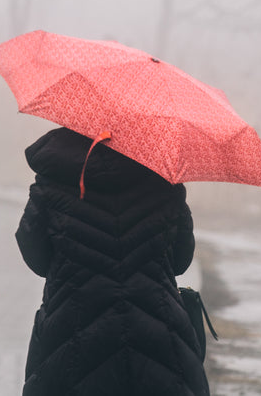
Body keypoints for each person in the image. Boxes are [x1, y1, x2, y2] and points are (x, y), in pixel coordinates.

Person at [15, 127, 210, 396]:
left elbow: (36, 258)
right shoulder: (165, 181)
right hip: (155, 333)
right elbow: (180, 262)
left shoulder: (52, 180)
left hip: (71, 332)